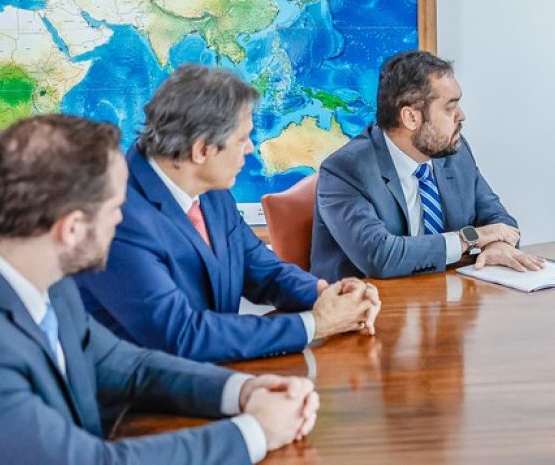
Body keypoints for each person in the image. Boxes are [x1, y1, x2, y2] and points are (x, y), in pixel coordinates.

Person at [0, 114, 318, 464]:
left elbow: (128, 367)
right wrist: (256, 432)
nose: (125, 221)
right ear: (71, 229)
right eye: (117, 209)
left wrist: (243, 391)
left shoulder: (43, 278)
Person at [75, 64, 380, 363]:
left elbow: (264, 271)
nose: (250, 149)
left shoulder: (212, 191)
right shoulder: (116, 216)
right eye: (241, 139)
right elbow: (182, 335)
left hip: (214, 377)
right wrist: (317, 323)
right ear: (201, 150)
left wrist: (327, 295)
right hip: (141, 404)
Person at [311, 49, 545, 281]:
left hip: (443, 300)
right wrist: (471, 238)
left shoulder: (454, 151)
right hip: (368, 310)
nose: (461, 116)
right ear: (411, 117)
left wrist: (495, 245)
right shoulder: (345, 170)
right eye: (450, 108)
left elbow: (499, 220)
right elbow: (381, 257)